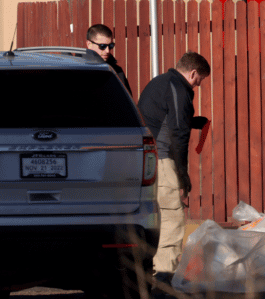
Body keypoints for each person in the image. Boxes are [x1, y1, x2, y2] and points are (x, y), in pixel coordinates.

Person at [136, 51, 211, 275]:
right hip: (164, 159)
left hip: (148, 158)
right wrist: (183, 177)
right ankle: (164, 274)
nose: (198, 85)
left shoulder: (160, 82)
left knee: (156, 216)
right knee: (172, 216)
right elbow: (178, 135)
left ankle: (154, 268)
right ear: (193, 73)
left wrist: (192, 121)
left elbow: (165, 119)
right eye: (200, 80)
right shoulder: (178, 89)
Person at [86, 23, 130, 95]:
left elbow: (126, 101)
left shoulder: (116, 71)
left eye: (110, 46)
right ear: (89, 44)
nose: (107, 51)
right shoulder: (79, 70)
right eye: (102, 46)